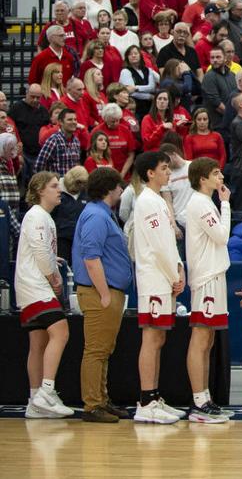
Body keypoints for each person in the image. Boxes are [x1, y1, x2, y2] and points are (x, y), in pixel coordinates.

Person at [129, 151, 186, 424]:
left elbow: (168, 241)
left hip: (164, 277)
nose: (168, 173)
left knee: (159, 339)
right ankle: (146, 401)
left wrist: (178, 267)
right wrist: (173, 272)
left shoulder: (159, 200)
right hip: (154, 279)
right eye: (164, 168)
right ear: (150, 173)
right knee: (151, 339)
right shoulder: (147, 202)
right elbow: (158, 244)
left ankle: (153, 396)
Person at [72, 167, 130, 422]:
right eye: (118, 186)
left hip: (106, 291)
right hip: (99, 292)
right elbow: (91, 258)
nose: (121, 189)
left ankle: (101, 400)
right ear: (109, 188)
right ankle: (92, 405)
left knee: (104, 349)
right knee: (96, 350)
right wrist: (105, 294)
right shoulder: (96, 216)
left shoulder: (103, 214)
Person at [16, 172, 73, 419]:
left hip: (29, 285)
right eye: (53, 186)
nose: (58, 190)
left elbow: (39, 250)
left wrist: (53, 260)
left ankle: (34, 400)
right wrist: (54, 277)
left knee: (38, 343)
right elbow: (40, 251)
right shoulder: (38, 215)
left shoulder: (42, 217)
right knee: (61, 331)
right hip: (35, 285)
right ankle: (47, 393)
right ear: (40, 190)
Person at [182, 157, 234, 423]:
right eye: (216, 173)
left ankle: (206, 398)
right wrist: (225, 204)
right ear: (202, 179)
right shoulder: (201, 204)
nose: (221, 176)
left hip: (214, 274)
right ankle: (199, 401)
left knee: (209, 340)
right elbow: (223, 236)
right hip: (206, 277)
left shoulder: (204, 203)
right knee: (201, 338)